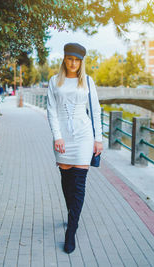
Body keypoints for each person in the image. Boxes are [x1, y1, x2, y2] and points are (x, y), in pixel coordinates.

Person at [46, 43, 103, 254]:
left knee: (79, 184)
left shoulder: (87, 81)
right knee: (67, 183)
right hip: (63, 139)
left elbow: (95, 111)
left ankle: (71, 230)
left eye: (77, 60)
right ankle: (72, 213)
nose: (73, 63)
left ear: (81, 62)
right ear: (64, 59)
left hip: (83, 137)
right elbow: (51, 111)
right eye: (70, 58)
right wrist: (57, 136)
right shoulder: (54, 81)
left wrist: (99, 139)